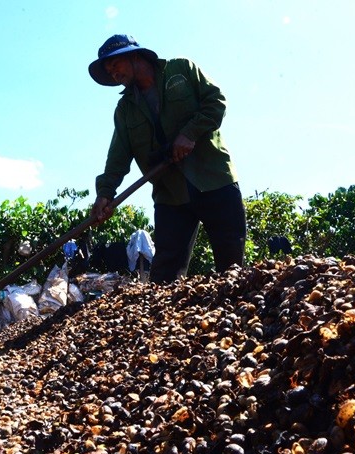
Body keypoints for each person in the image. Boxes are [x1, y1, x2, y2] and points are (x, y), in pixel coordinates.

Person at [89, 34, 246, 283]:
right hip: (170, 193)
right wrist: (105, 194)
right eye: (108, 70)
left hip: (213, 178)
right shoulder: (125, 110)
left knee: (231, 265)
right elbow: (117, 156)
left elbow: (215, 102)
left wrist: (190, 133)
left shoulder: (181, 70)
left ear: (134, 55)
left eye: (115, 65)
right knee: (164, 276)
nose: (113, 74)